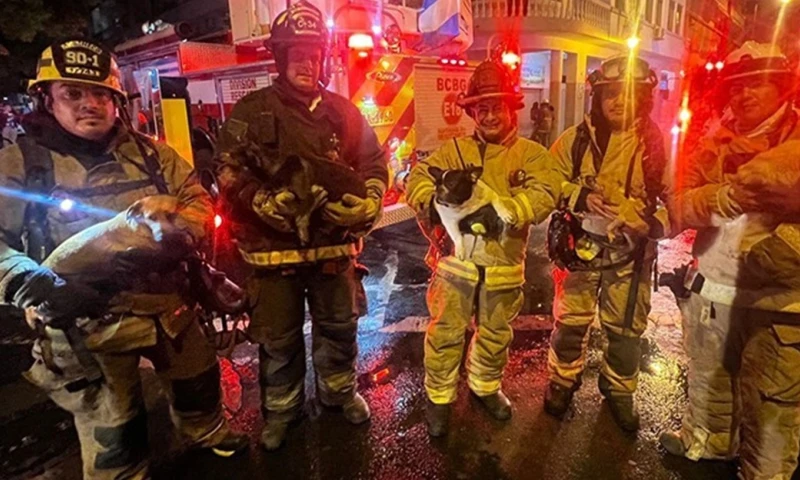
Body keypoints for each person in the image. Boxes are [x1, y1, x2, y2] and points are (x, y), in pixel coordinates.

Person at [0, 39, 247, 480]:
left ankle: (205, 432)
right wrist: (30, 282)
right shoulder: (21, 165)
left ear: (117, 101)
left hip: (170, 307)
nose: (89, 105)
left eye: (100, 94)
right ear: (46, 98)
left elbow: (195, 200)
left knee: (198, 380)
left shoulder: (154, 155)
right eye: (72, 94)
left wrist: (183, 233)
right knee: (114, 421)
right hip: (87, 320)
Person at [215, 1, 388, 451]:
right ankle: (283, 410)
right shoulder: (251, 111)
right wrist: (260, 201)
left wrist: (368, 204)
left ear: (324, 58)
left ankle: (338, 394)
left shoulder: (345, 113)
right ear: (280, 58)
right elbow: (227, 169)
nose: (306, 63)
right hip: (272, 256)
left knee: (338, 327)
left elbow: (373, 164)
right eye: (296, 54)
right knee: (278, 338)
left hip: (333, 252)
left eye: (313, 55)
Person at [406, 60, 571, 437]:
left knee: (496, 333)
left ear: (511, 108)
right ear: (472, 112)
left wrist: (508, 211)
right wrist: (429, 202)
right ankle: (440, 397)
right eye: (481, 108)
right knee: (445, 332)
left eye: (496, 106)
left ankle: (484, 386)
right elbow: (417, 178)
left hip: (503, 268)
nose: (489, 114)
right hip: (454, 268)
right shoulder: (455, 151)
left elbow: (546, 192)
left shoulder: (531, 155)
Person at [659, 42, 800, 480]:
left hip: (778, 305)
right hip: (712, 294)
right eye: (737, 88)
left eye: (757, 84)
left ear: (781, 87)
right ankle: (707, 444)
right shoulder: (713, 142)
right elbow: (677, 201)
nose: (744, 95)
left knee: (770, 405)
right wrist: (719, 199)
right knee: (709, 382)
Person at [543, 55, 670, 431]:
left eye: (628, 94)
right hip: (581, 251)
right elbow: (547, 183)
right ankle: (563, 380)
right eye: (610, 93)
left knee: (626, 329)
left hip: (631, 255)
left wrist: (649, 221)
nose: (618, 101)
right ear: (596, 98)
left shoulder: (655, 146)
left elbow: (679, 200)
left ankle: (619, 391)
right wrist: (579, 197)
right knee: (570, 321)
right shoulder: (574, 140)